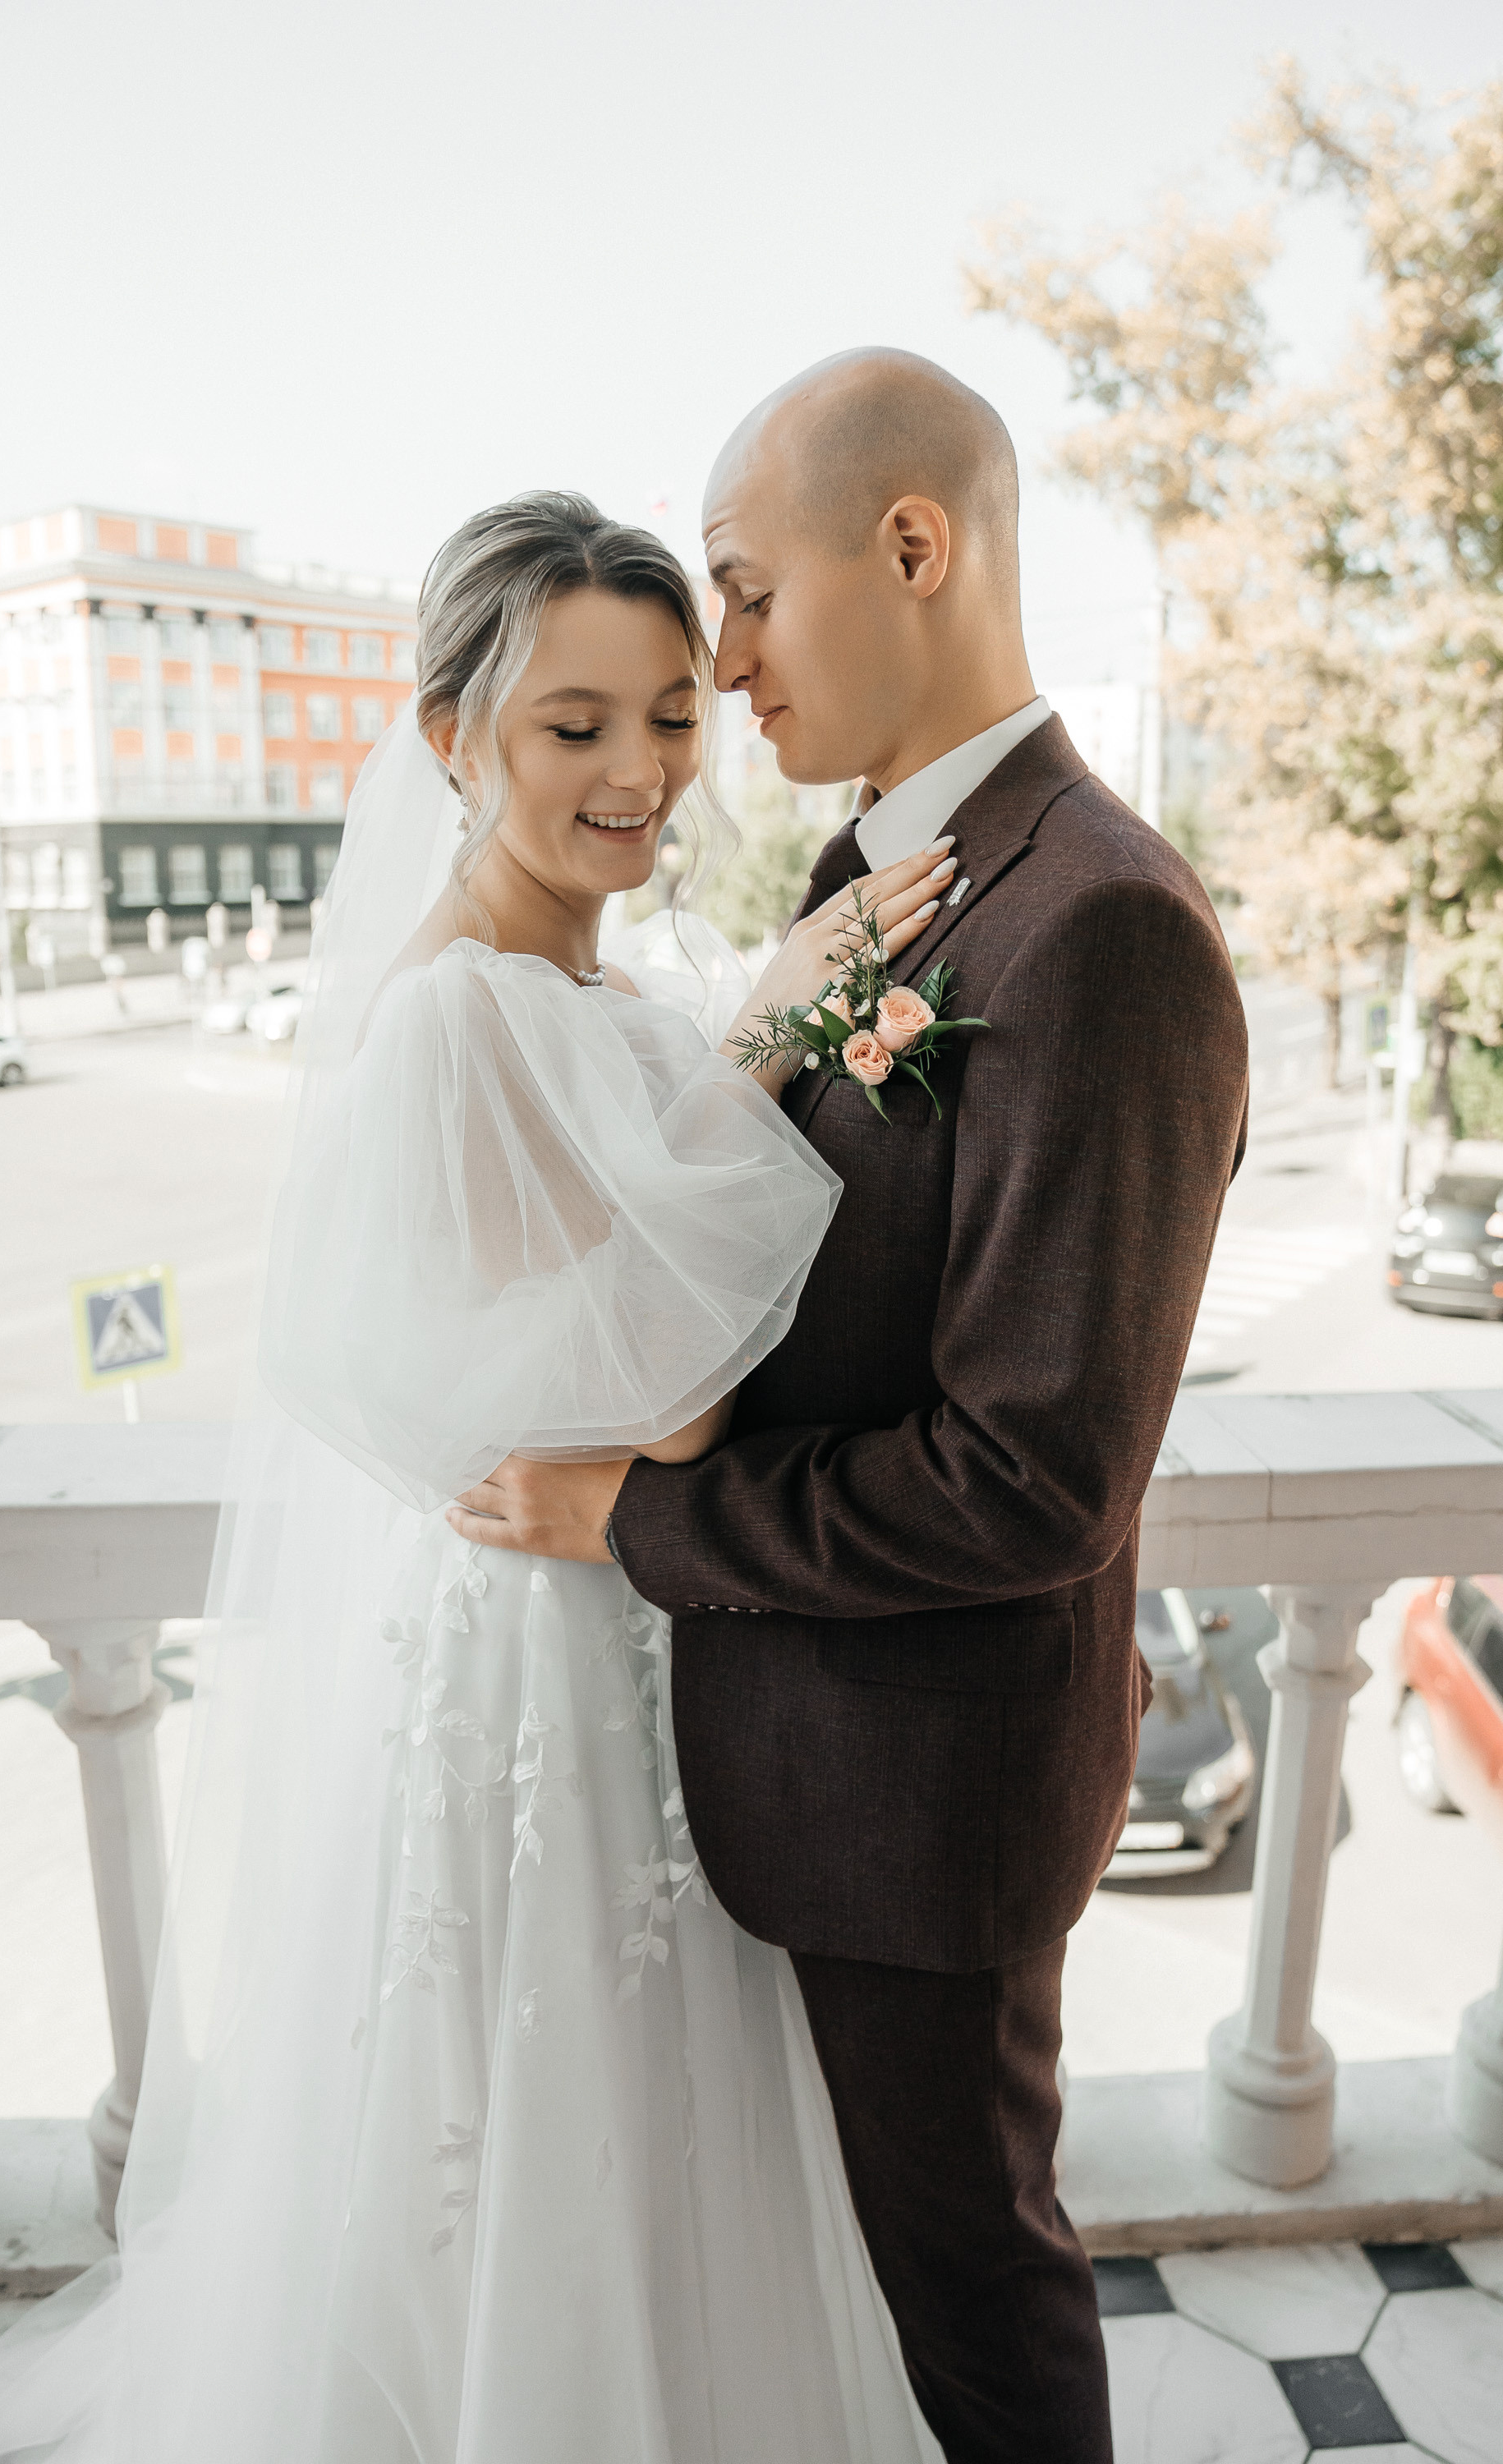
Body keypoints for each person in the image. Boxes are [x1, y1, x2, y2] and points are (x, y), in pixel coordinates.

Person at [0, 493, 953, 2464]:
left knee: (656, 2157)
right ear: (447, 737)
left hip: (627, 1643)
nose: (642, 772)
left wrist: (727, 1046)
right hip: (535, 1668)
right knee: (543, 2143)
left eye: (669, 713)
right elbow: (666, 1408)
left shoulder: (596, 1003)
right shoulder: (461, 1021)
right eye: (575, 726)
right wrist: (769, 1040)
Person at [446, 354, 1252, 2463]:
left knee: (971, 2308)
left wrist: (634, 1517)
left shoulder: (1103, 926)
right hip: (789, 1780)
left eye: (745, 598)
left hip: (923, 1803)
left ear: (911, 549)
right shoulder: (867, 887)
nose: (723, 669)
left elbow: (1031, 1481)